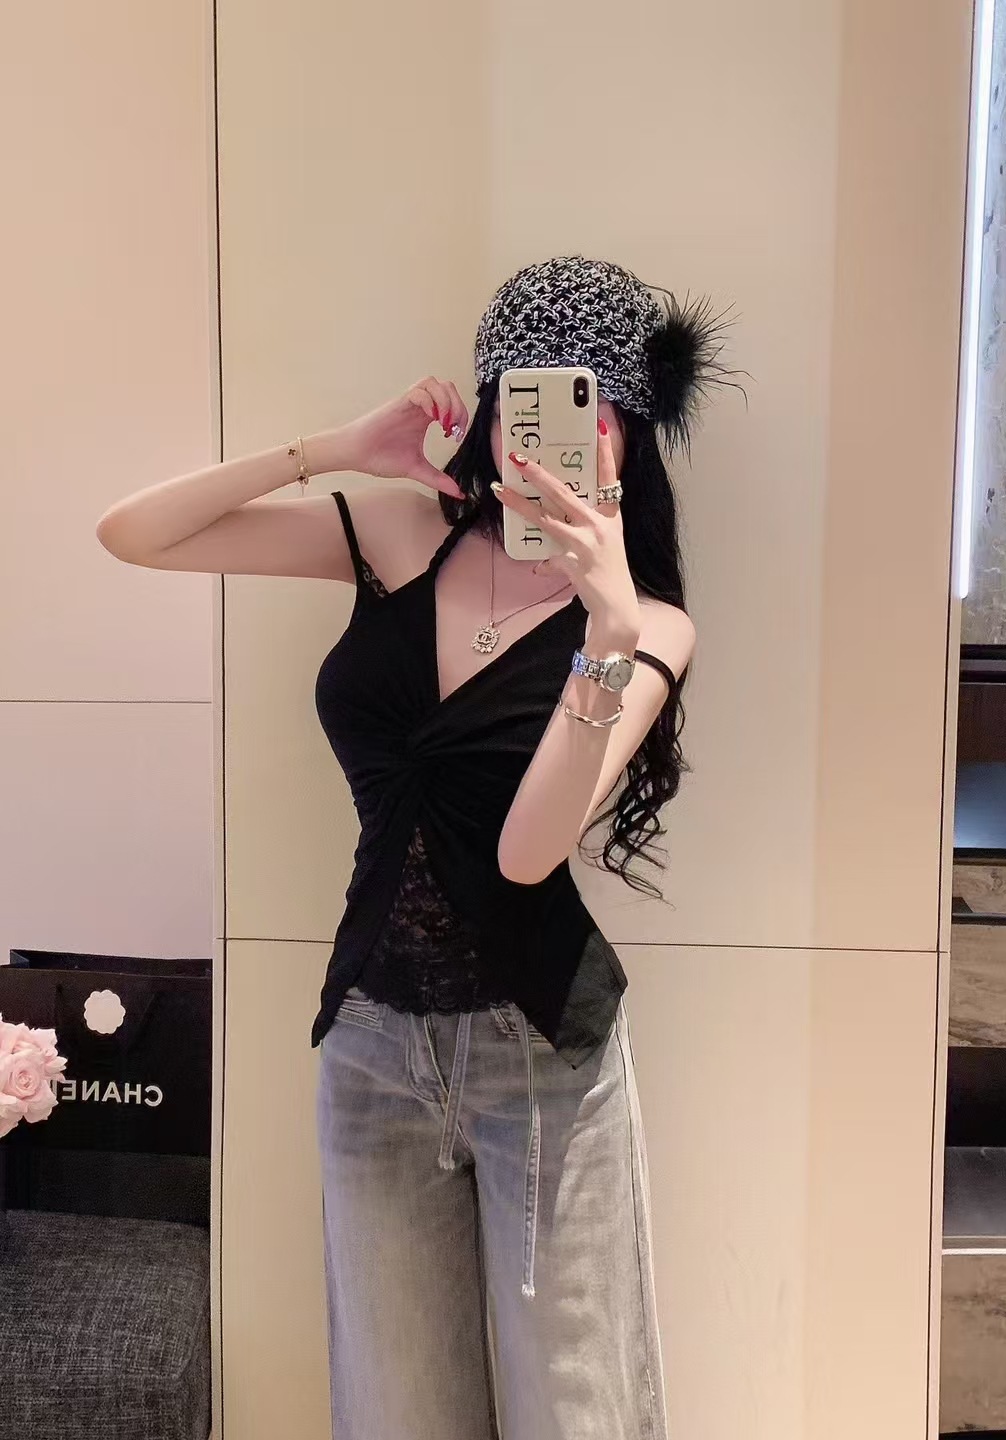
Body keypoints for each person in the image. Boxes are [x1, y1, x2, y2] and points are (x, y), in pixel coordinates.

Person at [96, 254, 734, 1440]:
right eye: (528, 397)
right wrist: (337, 447)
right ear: (490, 411)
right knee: (397, 1416)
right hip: (372, 1048)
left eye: (590, 404)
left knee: (572, 1414)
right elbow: (135, 533)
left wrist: (605, 629)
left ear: (629, 436)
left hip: (541, 1054)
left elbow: (529, 852)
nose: (555, 433)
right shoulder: (399, 531)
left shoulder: (648, 625)